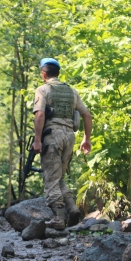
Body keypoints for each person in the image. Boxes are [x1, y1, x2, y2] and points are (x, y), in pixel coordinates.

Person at [32, 58, 92, 229]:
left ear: (43, 74)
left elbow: (40, 115)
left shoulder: (43, 90)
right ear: (58, 73)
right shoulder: (71, 91)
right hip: (69, 137)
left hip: (52, 136)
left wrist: (37, 140)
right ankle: (72, 208)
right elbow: (87, 115)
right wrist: (86, 139)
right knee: (59, 177)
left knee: (50, 177)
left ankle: (58, 219)